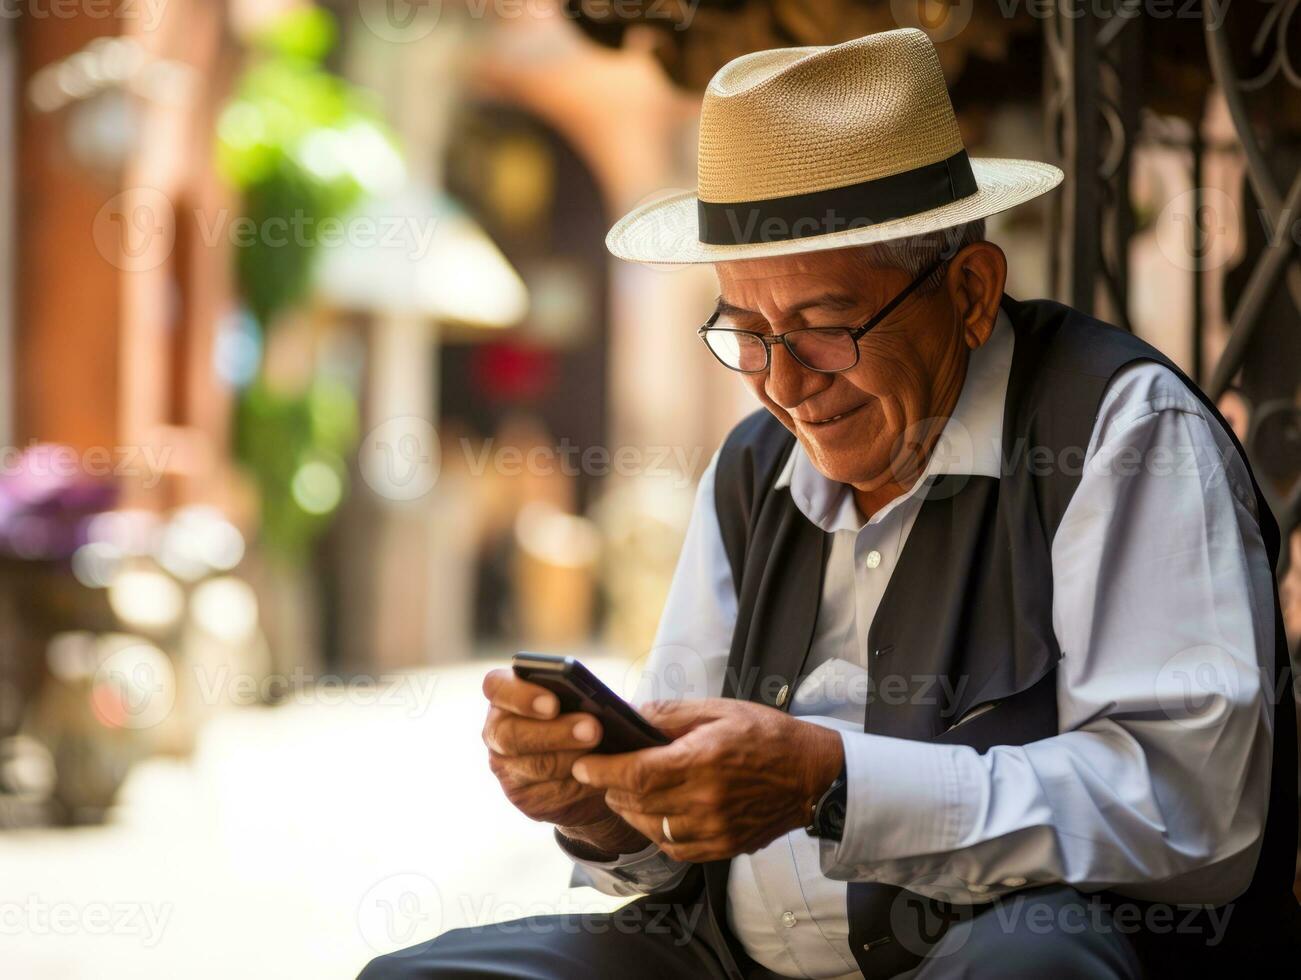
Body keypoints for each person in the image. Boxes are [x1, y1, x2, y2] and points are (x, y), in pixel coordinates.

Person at [361, 28, 1298, 980]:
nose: (782, 383)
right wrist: (602, 807)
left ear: (969, 294)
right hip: (728, 957)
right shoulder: (751, 467)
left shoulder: (1117, 429)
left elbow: (1192, 804)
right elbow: (678, 830)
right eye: (746, 332)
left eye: (823, 328)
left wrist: (831, 782)